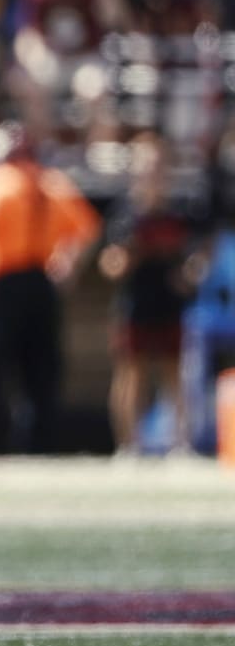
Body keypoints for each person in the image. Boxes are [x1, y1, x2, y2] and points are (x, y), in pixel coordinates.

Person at [0, 124, 102, 454]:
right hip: (39, 284)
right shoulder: (52, 182)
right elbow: (88, 230)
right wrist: (68, 266)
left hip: (4, 284)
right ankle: (37, 446)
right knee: (39, 370)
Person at [97, 132, 208, 455]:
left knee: (175, 372)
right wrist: (126, 259)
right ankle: (128, 445)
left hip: (170, 303)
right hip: (135, 302)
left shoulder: (183, 210)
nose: (153, 172)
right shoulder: (125, 212)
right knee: (132, 372)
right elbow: (110, 263)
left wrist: (189, 275)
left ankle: (181, 443)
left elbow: (198, 254)